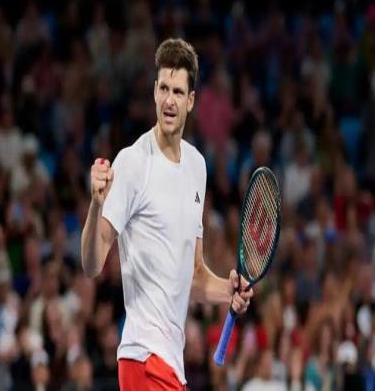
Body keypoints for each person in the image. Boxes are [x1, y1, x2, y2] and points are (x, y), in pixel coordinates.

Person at [81, 38, 253, 390]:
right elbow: (92, 264)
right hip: (143, 358)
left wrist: (229, 290)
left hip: (171, 364)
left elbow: (194, 275)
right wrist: (96, 205)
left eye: (178, 92)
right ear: (154, 92)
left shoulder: (197, 167)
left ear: (191, 101)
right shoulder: (132, 162)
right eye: (163, 89)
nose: (169, 100)